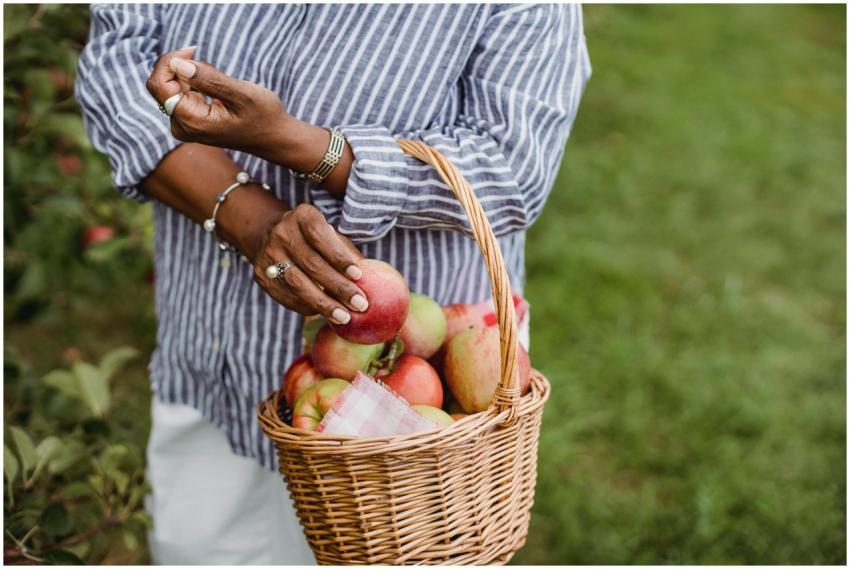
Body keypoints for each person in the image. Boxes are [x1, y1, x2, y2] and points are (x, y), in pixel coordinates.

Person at [76, 3, 590, 564]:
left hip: (406, 418)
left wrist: (302, 144)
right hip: (215, 358)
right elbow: (115, 61)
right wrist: (252, 221)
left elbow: (512, 169)